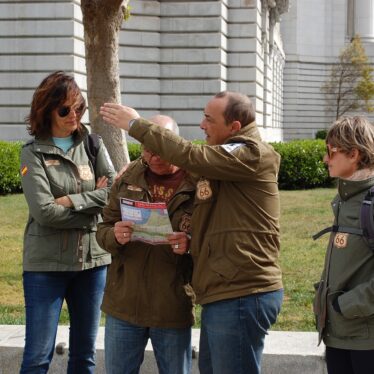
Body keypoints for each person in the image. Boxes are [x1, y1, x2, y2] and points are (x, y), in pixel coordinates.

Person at [100, 91, 284, 374]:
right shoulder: (214, 164)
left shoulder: (251, 152)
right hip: (222, 290)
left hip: (241, 290)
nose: (201, 125)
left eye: (209, 119)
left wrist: (136, 125)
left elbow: (190, 155)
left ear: (235, 126)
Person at [19, 71, 115, 373]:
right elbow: (45, 212)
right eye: (65, 109)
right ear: (46, 110)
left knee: (84, 356)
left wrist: (72, 201)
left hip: (92, 263)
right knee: (37, 358)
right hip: (45, 267)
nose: (74, 115)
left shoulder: (94, 145)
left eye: (80, 108)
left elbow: (112, 194)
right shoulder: (31, 153)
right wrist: (92, 202)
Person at [96, 115, 195, 374]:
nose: (152, 158)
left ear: (175, 144)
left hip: (172, 304)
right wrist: (114, 235)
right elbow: (103, 228)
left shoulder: (198, 182)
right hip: (125, 304)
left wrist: (190, 244)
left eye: (159, 150)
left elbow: (215, 239)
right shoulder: (130, 175)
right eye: (146, 150)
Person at [313, 116, 374, 374]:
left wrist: (346, 305)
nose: (326, 159)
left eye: (331, 152)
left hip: (366, 340)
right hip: (338, 333)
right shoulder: (345, 199)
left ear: (354, 154)